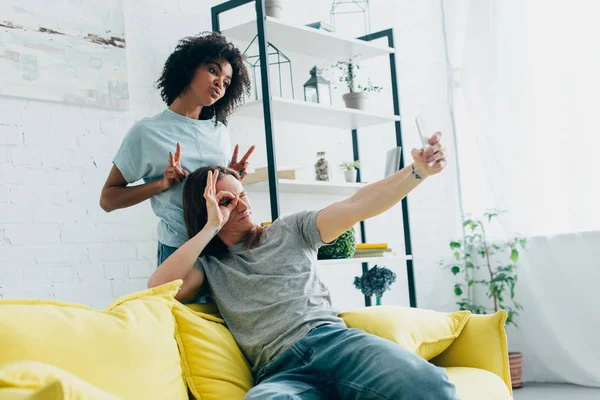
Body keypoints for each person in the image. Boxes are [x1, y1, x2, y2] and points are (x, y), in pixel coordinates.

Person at [148, 133, 458, 399]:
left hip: (337, 345)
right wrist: (211, 228)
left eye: (243, 195)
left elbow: (355, 206)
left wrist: (417, 171)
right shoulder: (208, 265)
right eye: (228, 201)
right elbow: (158, 288)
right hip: (281, 372)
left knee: (431, 384)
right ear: (208, 210)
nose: (243, 206)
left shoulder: (290, 230)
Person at [99, 32, 255, 267]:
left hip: (223, 246)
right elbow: (108, 200)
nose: (219, 84)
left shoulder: (219, 131)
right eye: (213, 71)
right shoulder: (146, 132)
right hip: (178, 248)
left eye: (226, 82)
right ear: (188, 68)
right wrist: (161, 184)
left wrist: (231, 175)